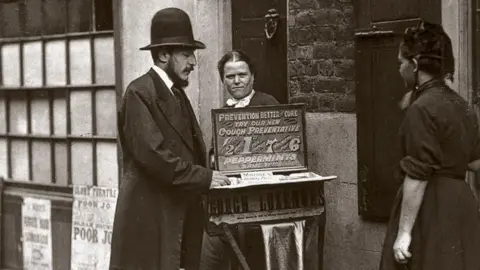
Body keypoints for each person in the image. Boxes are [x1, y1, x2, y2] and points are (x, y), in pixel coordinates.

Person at [109, 8, 231, 270]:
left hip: (175, 213)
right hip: (151, 217)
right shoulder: (139, 92)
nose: (193, 63)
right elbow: (154, 155)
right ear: (164, 54)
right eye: (187, 54)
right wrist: (205, 177)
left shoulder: (174, 92)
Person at [379, 20, 480, 270]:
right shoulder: (463, 106)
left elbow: (418, 174)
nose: (400, 68)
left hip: (430, 209)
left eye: (401, 62)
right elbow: (475, 163)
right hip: (461, 206)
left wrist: (404, 233)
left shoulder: (421, 108)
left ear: (414, 65)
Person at [199, 50, 279, 270]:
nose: (236, 81)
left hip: (263, 199)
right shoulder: (223, 113)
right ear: (223, 79)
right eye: (230, 76)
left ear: (253, 76)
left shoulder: (268, 104)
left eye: (242, 75)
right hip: (233, 198)